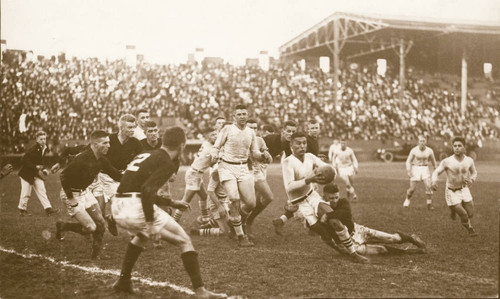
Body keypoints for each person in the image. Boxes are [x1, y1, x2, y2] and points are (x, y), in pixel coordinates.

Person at [111, 127, 226, 298]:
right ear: (182, 146)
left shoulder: (148, 154)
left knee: (142, 236)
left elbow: (138, 189)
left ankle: (123, 281)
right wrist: (150, 224)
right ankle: (201, 291)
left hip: (118, 206)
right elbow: (147, 190)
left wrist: (171, 202)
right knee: (184, 241)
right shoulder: (166, 161)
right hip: (135, 207)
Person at [280, 132, 368, 263]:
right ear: (291, 144)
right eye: (298, 143)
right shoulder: (288, 162)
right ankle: (339, 248)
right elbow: (289, 187)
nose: (302, 146)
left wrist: (328, 170)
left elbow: (329, 169)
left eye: (304, 143)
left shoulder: (310, 157)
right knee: (325, 234)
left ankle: (353, 253)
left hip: (312, 196)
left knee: (334, 220)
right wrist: (308, 179)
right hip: (299, 204)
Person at [210, 104, 272, 247]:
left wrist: (263, 155)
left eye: (244, 114)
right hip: (227, 166)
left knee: (251, 203)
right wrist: (213, 155)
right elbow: (216, 146)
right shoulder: (227, 129)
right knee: (234, 198)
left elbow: (254, 153)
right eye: (239, 114)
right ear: (234, 116)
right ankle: (240, 236)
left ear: (247, 115)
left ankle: (234, 222)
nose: (242, 116)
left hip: (243, 167)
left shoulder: (250, 132)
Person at [56, 130, 122, 259]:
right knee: (91, 228)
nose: (109, 145)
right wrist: (71, 198)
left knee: (101, 223)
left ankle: (95, 253)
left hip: (85, 193)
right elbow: (63, 176)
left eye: (109, 142)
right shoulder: (82, 158)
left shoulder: (102, 160)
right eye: (105, 143)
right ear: (95, 144)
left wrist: (136, 177)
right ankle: (63, 226)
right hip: (71, 194)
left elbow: (117, 175)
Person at [320, 184, 427, 256]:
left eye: (336, 197)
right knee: (381, 250)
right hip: (348, 244)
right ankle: (409, 252)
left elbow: (344, 213)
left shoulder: (343, 202)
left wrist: (327, 215)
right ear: (324, 197)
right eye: (331, 198)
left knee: (392, 238)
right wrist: (337, 248)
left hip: (359, 231)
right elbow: (323, 234)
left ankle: (413, 239)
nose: (335, 200)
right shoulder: (319, 210)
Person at [97, 114, 143, 235]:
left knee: (123, 205)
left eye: (134, 127)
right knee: (99, 216)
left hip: (121, 177)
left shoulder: (136, 143)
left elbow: (142, 160)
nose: (133, 130)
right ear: (121, 128)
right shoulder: (110, 139)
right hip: (104, 178)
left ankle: (132, 236)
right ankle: (107, 221)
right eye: (129, 127)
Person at [431, 136, 478, 236]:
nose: (457, 148)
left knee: (471, 213)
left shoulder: (469, 160)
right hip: (452, 191)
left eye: (459, 146)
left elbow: (474, 172)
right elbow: (436, 172)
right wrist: (434, 181)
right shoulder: (447, 161)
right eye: (455, 146)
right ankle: (470, 229)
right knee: (464, 215)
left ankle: (453, 209)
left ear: (464, 147)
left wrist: (472, 179)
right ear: (452, 147)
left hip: (464, 189)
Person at [172, 127, 218, 223]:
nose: (215, 136)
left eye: (215, 134)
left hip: (196, 174)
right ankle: (174, 221)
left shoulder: (206, 143)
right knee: (185, 201)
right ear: (206, 136)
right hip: (194, 174)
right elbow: (213, 163)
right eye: (212, 134)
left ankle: (205, 217)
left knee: (204, 196)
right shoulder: (210, 148)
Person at [244, 119, 274, 239]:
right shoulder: (240, 139)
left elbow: (269, 159)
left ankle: (249, 220)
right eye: (250, 127)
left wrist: (266, 156)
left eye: (255, 128)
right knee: (248, 203)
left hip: (257, 174)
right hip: (244, 173)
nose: (253, 130)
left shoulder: (260, 140)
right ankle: (239, 224)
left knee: (268, 197)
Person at [17, 131, 59, 216]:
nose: (43, 141)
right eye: (41, 139)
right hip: (26, 174)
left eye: (44, 139)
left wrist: (43, 169)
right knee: (26, 193)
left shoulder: (43, 148)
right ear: (37, 139)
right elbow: (23, 160)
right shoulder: (33, 149)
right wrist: (35, 167)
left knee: (42, 190)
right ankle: (22, 210)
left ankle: (48, 209)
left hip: (34, 173)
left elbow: (39, 161)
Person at [403, 135, 437, 210]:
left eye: (423, 141)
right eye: (420, 141)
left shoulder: (429, 150)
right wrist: (409, 170)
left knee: (428, 186)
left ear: (426, 142)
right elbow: (408, 161)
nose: (422, 143)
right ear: (418, 142)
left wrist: (435, 168)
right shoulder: (414, 150)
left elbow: (433, 160)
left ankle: (429, 204)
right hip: (415, 168)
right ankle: (407, 199)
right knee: (412, 189)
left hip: (425, 168)